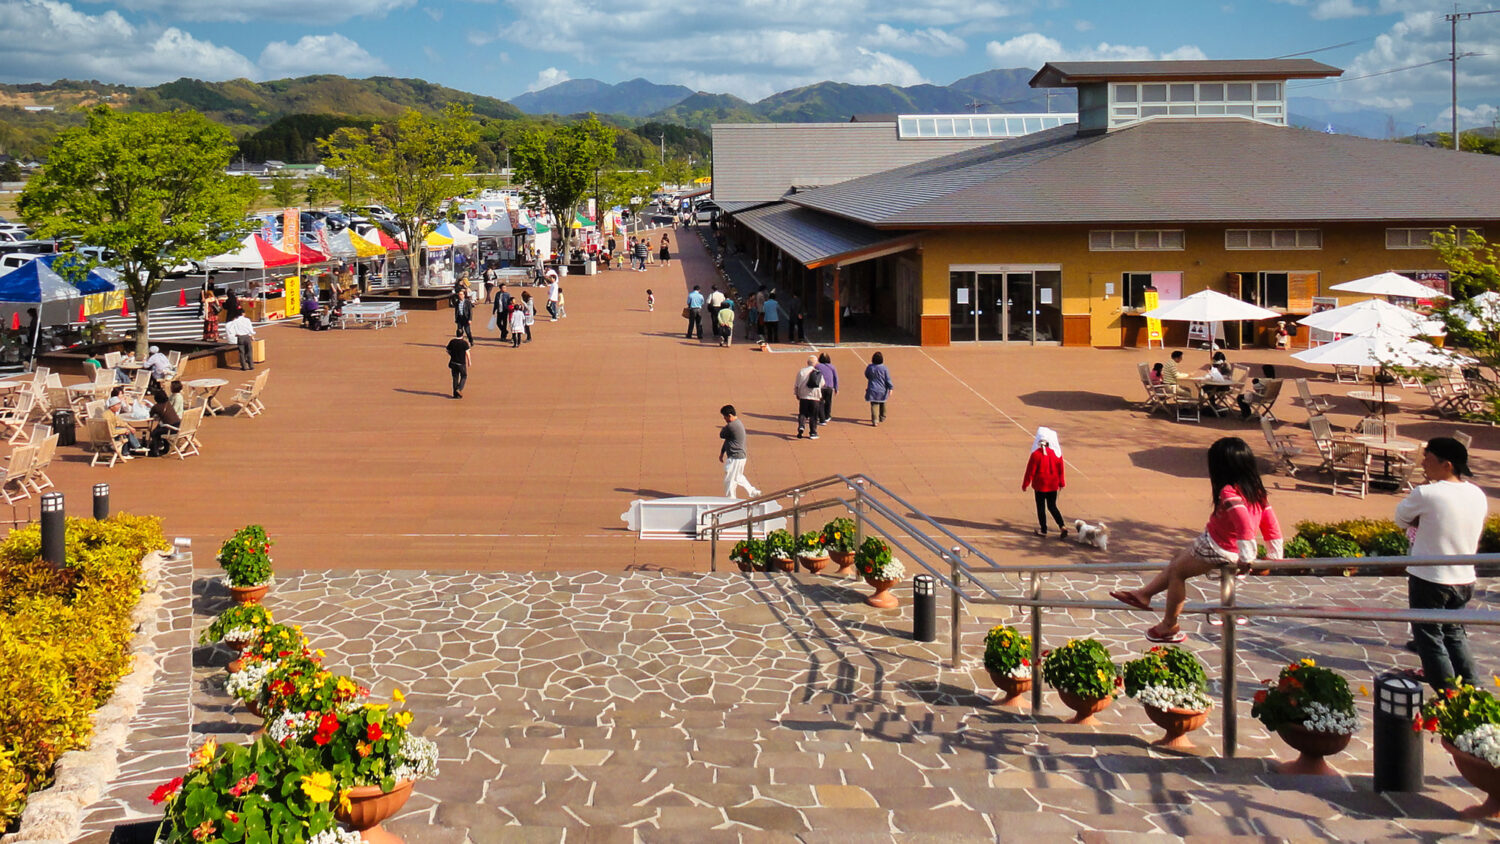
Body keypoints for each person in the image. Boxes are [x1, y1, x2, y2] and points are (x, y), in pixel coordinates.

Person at [1110, 437, 1283, 643]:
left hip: (1218, 546)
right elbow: (1270, 524)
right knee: (1176, 561)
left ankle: (1169, 625)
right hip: (1223, 545)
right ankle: (1144, 594)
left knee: (1178, 573)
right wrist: (1274, 556)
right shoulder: (1256, 491)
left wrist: (1248, 558)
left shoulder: (1229, 492)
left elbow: (1244, 524)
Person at [1395, 437, 1487, 691]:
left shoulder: (1427, 492)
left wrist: (1420, 519)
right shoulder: (1476, 493)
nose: (1423, 462)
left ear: (1446, 464)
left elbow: (1401, 518)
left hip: (1431, 577)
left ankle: (1448, 695)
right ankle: (1471, 686)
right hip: (1464, 577)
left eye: (1428, 458)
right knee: (1454, 633)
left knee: (1429, 638)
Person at [1022, 427, 1067, 537]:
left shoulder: (1036, 455)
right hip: (1053, 484)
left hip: (1040, 485)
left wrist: (1025, 483)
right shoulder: (1056, 454)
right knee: (1052, 506)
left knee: (1041, 507)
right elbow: (1061, 469)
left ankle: (1043, 529)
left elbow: (1030, 471)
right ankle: (1062, 525)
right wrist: (1061, 482)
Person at [719, 405, 760, 499]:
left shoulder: (732, 426)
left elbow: (722, 435)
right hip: (740, 457)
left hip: (735, 458)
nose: (724, 419)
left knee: (729, 479)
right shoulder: (738, 423)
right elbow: (727, 440)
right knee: (738, 477)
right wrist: (722, 453)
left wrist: (725, 427)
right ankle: (753, 492)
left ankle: (731, 498)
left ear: (729, 415)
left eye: (724, 416)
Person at [146, 386, 181, 456]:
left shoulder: (156, 407)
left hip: (171, 428)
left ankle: (155, 451)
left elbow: (150, 415)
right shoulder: (168, 403)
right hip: (178, 426)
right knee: (160, 429)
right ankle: (166, 448)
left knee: (154, 433)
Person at [794, 354, 823, 439]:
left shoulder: (801, 371)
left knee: (802, 413)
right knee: (813, 415)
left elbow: (796, 384)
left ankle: (801, 425)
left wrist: (797, 394)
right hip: (815, 397)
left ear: (807, 363)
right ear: (816, 363)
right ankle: (813, 433)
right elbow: (822, 384)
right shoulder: (817, 372)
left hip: (803, 396)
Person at [864, 351, 893, 425]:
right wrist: (891, 388)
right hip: (882, 389)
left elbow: (867, 375)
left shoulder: (870, 367)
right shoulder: (884, 368)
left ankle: (875, 420)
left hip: (872, 389)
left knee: (874, 404)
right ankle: (882, 416)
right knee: (883, 403)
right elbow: (888, 379)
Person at [445, 332, 471, 398]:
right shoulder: (464, 343)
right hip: (461, 363)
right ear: (462, 335)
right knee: (464, 376)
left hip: (453, 363)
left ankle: (455, 395)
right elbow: (467, 353)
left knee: (455, 378)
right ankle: (459, 389)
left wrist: (451, 355)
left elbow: (447, 350)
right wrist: (469, 361)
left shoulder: (452, 342)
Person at [815, 352, 838, 424]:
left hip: (821, 387)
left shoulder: (817, 366)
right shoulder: (832, 367)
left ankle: (821, 416)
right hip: (829, 387)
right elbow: (835, 378)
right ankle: (827, 415)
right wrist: (836, 388)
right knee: (828, 402)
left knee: (820, 402)